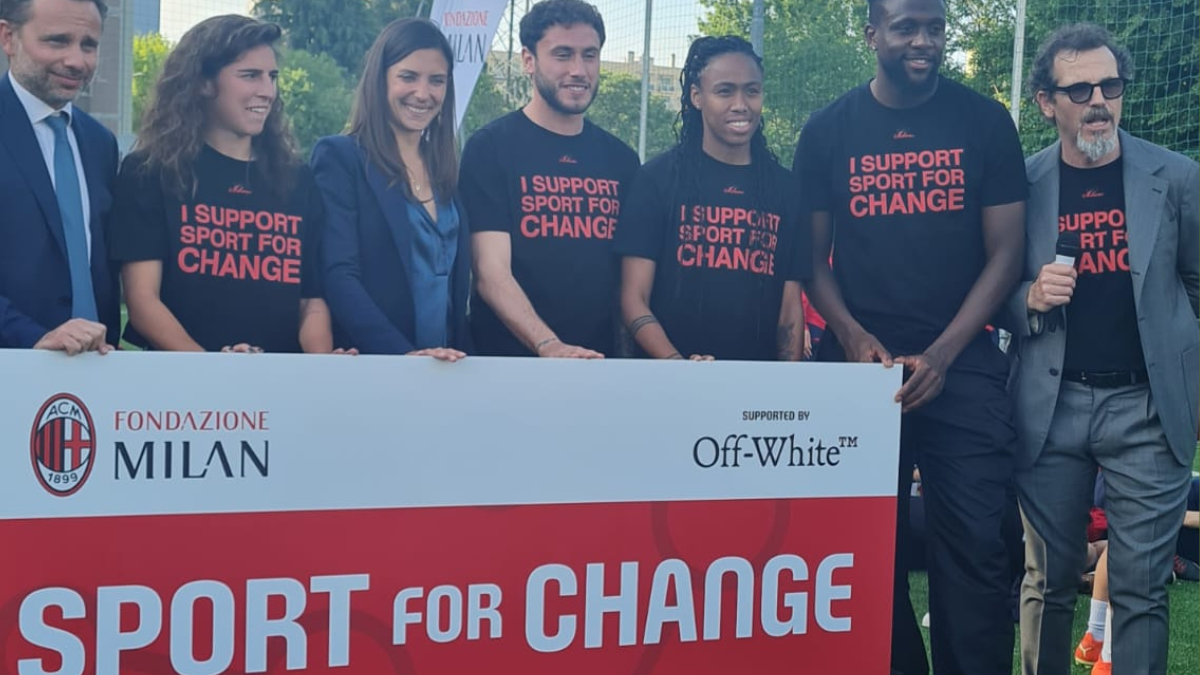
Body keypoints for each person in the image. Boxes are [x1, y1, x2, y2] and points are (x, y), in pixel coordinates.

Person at [791, 0, 1028, 672]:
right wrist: (853, 335)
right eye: (905, 28)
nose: (923, 42)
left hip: (963, 364)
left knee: (981, 546)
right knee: (864, 550)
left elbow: (1006, 253)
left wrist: (946, 353)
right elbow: (810, 259)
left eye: (935, 28)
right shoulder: (828, 129)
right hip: (860, 372)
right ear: (872, 36)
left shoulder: (983, 121)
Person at [1007, 22, 1199, 675]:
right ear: (1045, 101)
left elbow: (1197, 285)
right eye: (1080, 87)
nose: (1098, 100)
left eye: (1110, 85)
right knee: (1048, 580)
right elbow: (990, 289)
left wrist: (1188, 381)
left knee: (1142, 589)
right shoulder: (1022, 186)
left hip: (1147, 409)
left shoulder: (1175, 178)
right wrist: (1028, 297)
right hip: (1050, 406)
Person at [109, 15, 335, 355]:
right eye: (250, 76)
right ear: (203, 83)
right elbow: (142, 302)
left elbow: (312, 301)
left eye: (272, 77)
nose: (267, 91)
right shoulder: (150, 172)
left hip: (282, 389)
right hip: (184, 394)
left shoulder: (297, 178)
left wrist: (320, 370)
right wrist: (214, 373)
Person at [460, 0, 639, 358]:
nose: (579, 69)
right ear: (528, 60)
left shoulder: (622, 160)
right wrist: (549, 345)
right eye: (562, 54)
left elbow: (629, 286)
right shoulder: (490, 148)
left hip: (597, 367)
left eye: (590, 55)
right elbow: (490, 272)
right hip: (508, 368)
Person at [614, 35, 807, 361]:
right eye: (724, 90)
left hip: (753, 392)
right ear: (696, 96)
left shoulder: (787, 189)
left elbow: (789, 310)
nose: (741, 104)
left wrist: (784, 387)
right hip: (670, 384)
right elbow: (633, 296)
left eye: (752, 90)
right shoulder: (655, 179)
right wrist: (678, 365)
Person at [311, 18, 469, 360]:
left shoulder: (445, 170)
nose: (423, 93)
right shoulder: (341, 157)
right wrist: (402, 357)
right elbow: (339, 275)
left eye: (437, 81)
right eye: (408, 77)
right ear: (379, 79)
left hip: (448, 369)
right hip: (376, 366)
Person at [0, 0, 118, 354]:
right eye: (56, 40)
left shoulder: (101, 144)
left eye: (89, 45)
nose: (76, 61)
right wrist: (31, 336)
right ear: (8, 37)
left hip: (94, 374)